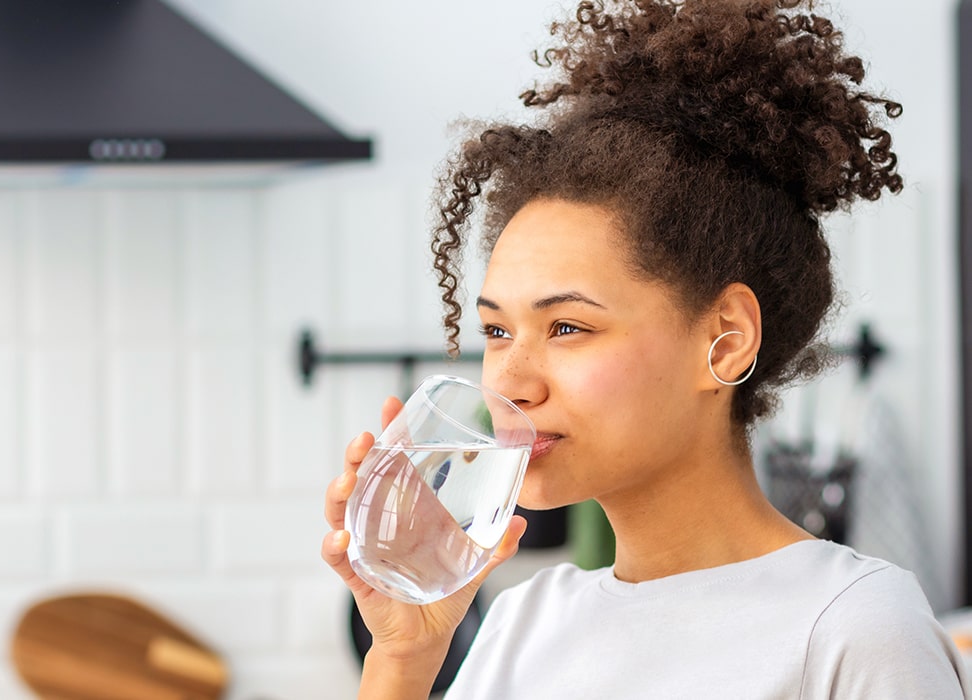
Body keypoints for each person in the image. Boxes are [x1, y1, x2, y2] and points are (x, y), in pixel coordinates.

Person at [320, 0, 972, 697]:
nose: (509, 383)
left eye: (567, 328)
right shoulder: (524, 623)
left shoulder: (855, 628)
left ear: (725, 341)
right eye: (496, 331)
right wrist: (401, 657)